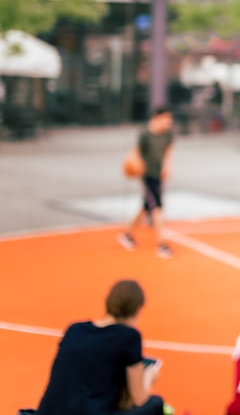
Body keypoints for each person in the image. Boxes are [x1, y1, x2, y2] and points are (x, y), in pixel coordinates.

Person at [35, 279, 166, 415]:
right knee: (156, 403)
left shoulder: (74, 329)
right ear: (137, 310)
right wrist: (150, 376)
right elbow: (139, 399)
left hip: (47, 412)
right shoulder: (129, 336)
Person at [119, 106, 175, 258]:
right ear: (157, 118)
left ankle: (127, 234)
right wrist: (133, 164)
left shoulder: (168, 133)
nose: (169, 121)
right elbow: (135, 151)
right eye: (166, 118)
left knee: (146, 207)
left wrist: (166, 166)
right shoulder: (145, 134)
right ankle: (162, 244)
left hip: (158, 174)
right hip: (147, 175)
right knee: (157, 207)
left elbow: (169, 150)